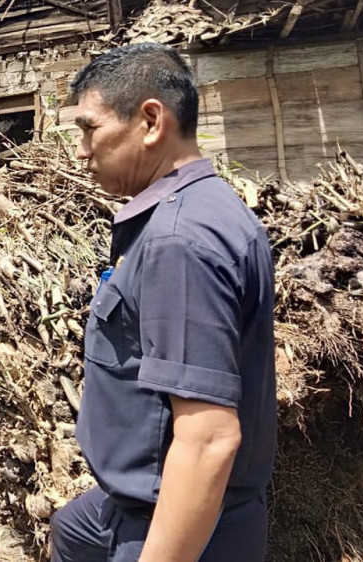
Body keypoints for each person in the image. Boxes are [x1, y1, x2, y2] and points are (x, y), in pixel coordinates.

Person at [50, 43, 276, 562]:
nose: (81, 151)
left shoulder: (179, 240)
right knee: (71, 530)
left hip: (173, 524)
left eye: (89, 129)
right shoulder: (202, 208)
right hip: (131, 504)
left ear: (151, 122)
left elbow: (208, 439)